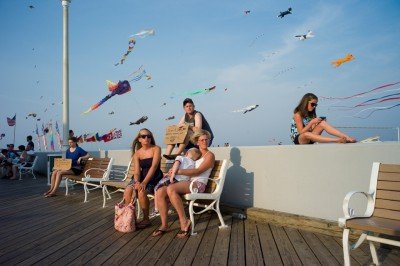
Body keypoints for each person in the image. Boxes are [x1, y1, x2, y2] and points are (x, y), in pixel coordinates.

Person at [153, 129, 215, 238]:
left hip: (198, 184)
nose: (205, 142)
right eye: (202, 140)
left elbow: (198, 171)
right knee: (160, 190)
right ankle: (164, 224)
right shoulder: (195, 154)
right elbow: (184, 165)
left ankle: (184, 221)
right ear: (197, 142)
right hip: (187, 182)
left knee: (171, 189)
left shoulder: (209, 155)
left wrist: (178, 171)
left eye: (207, 139)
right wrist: (171, 172)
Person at [122, 128, 163, 229]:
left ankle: (146, 219)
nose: (146, 138)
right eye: (143, 136)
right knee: (128, 191)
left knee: (141, 191)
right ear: (139, 139)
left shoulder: (156, 149)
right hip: (140, 177)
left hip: (153, 177)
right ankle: (131, 218)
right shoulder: (137, 153)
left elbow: (154, 167)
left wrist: (144, 182)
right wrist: (136, 182)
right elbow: (136, 172)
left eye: (149, 136)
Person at [150, 148, 202, 217]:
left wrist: (172, 175)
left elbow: (176, 165)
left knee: (157, 188)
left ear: (186, 153)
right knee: (166, 191)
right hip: (182, 182)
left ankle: (156, 209)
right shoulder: (193, 163)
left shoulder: (180, 157)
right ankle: (166, 208)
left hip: (174, 178)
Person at [290, 93, 356, 144]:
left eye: (315, 105)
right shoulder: (298, 115)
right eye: (313, 104)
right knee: (306, 134)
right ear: (305, 103)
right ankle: (337, 140)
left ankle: (347, 137)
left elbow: (311, 129)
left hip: (311, 138)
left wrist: (317, 124)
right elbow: (301, 132)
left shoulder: (311, 114)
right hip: (300, 139)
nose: (314, 107)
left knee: (323, 123)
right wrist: (312, 122)